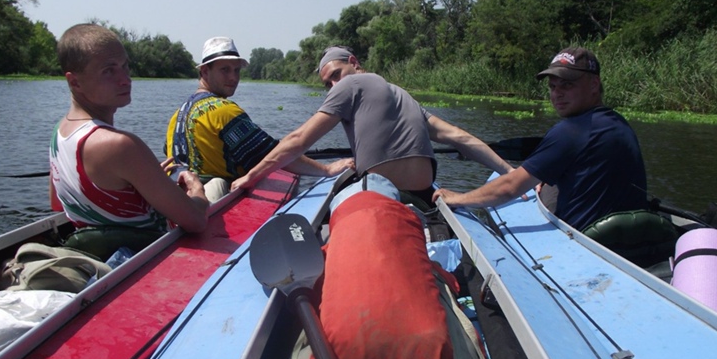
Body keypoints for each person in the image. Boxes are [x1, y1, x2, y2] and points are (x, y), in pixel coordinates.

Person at [231, 46, 514, 205]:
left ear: (353, 63)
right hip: (424, 195)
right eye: (328, 84)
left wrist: (251, 176)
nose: (334, 86)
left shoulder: (351, 84)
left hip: (381, 193)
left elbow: (298, 140)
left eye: (336, 75)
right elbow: (459, 137)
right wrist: (511, 172)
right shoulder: (403, 94)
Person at [433, 47, 647, 231]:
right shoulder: (619, 124)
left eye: (567, 85)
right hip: (626, 236)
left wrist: (458, 198)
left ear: (594, 84)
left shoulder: (570, 131)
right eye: (553, 87)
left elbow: (509, 188)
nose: (557, 94)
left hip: (583, 241)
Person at [49, 24, 209, 250]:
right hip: (143, 256)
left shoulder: (59, 132)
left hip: (95, 251)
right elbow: (197, 221)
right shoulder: (121, 145)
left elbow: (58, 204)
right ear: (75, 82)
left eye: (125, 66)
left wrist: (139, 181)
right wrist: (196, 189)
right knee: (217, 187)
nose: (125, 79)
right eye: (109, 71)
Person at [166, 37, 353, 202]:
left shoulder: (177, 115)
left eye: (237, 70)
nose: (233, 77)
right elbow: (274, 156)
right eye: (225, 70)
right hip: (214, 201)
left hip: (179, 200)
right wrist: (326, 170)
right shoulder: (223, 111)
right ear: (205, 72)